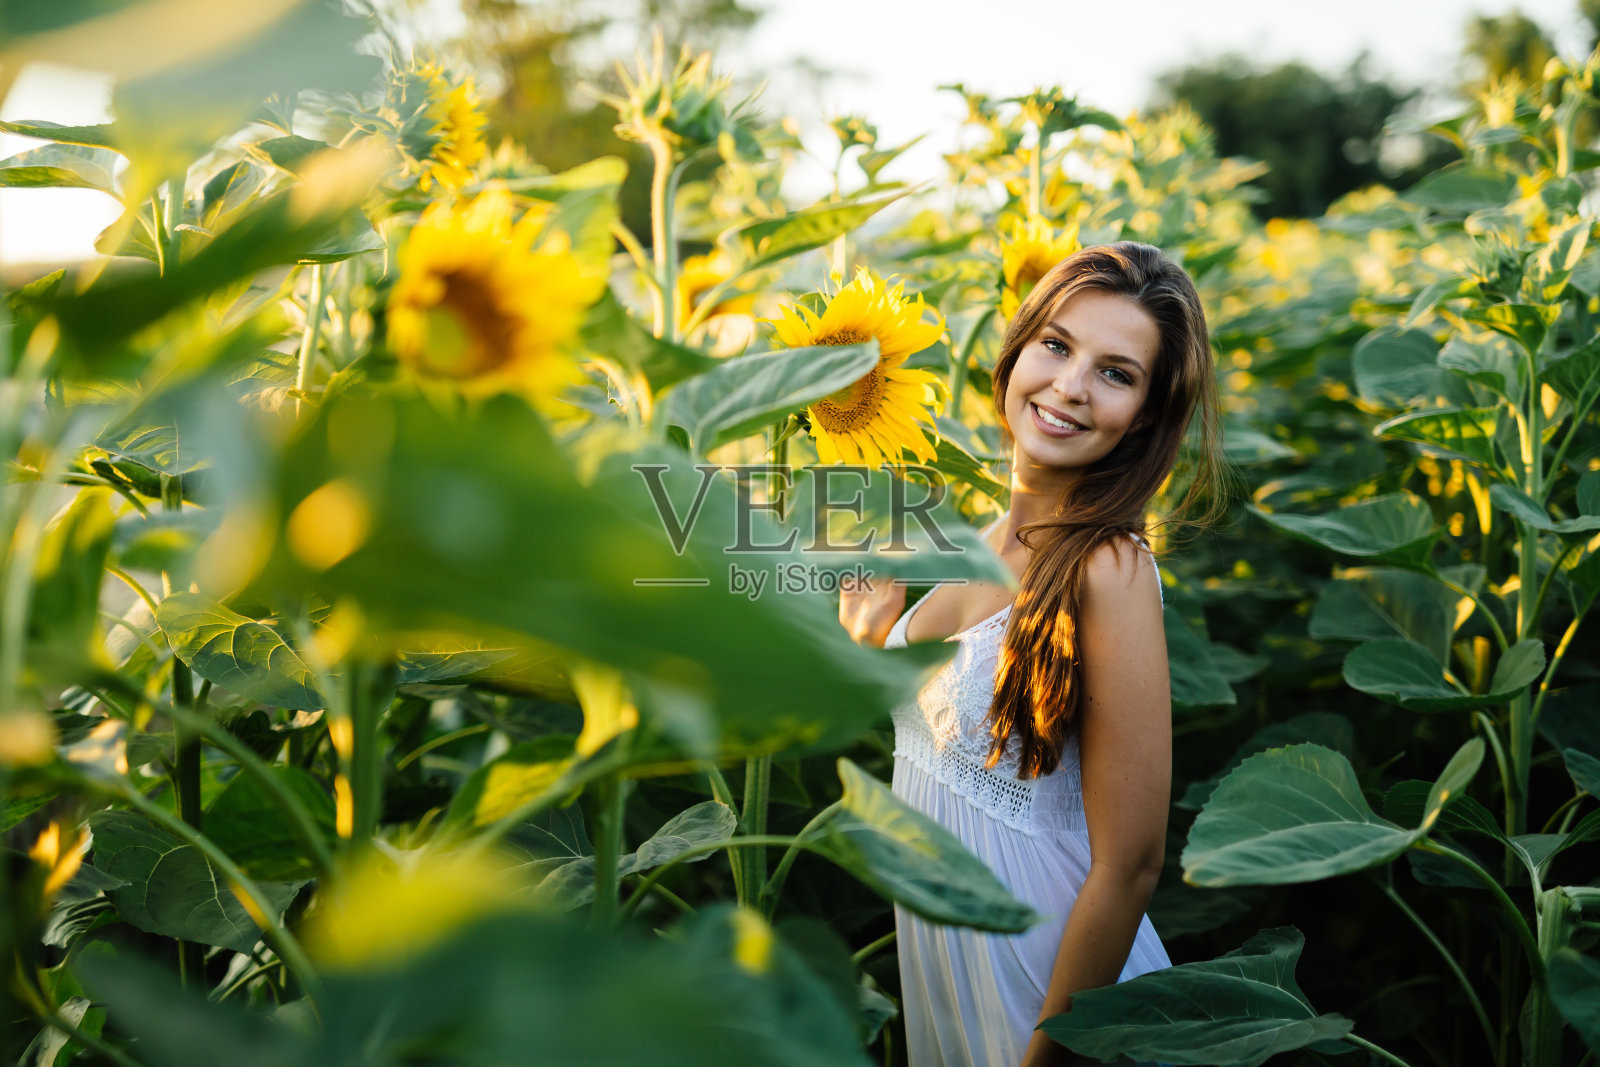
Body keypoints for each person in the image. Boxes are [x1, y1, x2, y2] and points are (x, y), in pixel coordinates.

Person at [838, 242, 1224, 1067]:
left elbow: (1130, 865)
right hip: (951, 963)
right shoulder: (986, 537)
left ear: (1147, 415)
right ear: (1016, 350)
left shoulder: (1109, 567)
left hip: (1047, 988)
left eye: (1116, 373)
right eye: (1056, 344)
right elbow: (951, 752)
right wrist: (875, 643)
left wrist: (1048, 1057)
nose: (1071, 385)